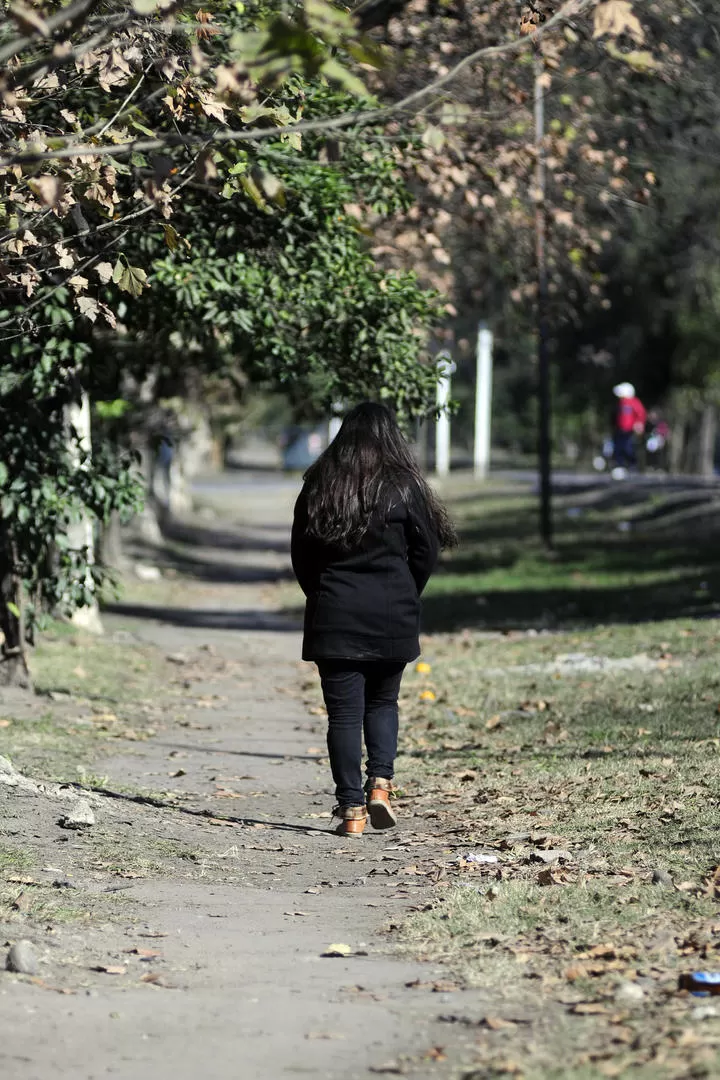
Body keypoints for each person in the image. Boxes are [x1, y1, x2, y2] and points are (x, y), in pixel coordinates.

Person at [291, 402, 456, 837]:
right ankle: (380, 786)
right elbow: (426, 552)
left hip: (335, 616)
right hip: (391, 613)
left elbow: (301, 556)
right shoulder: (405, 486)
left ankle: (351, 812)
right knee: (384, 702)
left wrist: (323, 596)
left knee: (343, 717)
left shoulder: (318, 485)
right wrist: (404, 590)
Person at [611, 382, 646, 479]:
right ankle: (620, 465)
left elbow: (641, 414)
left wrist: (639, 425)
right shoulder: (620, 403)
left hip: (629, 430)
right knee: (618, 448)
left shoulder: (634, 402)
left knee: (628, 447)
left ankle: (632, 465)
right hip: (619, 430)